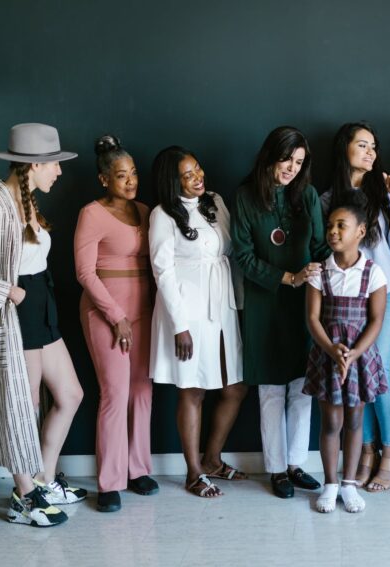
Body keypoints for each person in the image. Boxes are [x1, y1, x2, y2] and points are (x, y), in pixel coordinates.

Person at [0, 123, 83, 527]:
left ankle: (42, 478)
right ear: (33, 166)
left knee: (70, 394)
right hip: (18, 314)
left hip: (43, 307)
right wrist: (10, 292)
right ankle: (24, 497)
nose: (58, 172)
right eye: (53, 165)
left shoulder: (25, 202)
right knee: (24, 406)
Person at [231, 126, 328, 499]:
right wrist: (288, 277)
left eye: (299, 162)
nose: (291, 167)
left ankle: (295, 463)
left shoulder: (308, 197)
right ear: (271, 155)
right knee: (271, 389)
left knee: (303, 387)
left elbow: (320, 247)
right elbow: (243, 254)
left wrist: (317, 279)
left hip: (306, 303)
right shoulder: (244, 197)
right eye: (287, 158)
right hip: (264, 301)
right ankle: (276, 470)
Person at [149, 146, 247, 498]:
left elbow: (231, 254)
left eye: (198, 169)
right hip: (188, 312)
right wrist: (179, 325)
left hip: (222, 309)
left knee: (235, 387)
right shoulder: (163, 215)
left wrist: (239, 303)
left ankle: (212, 459)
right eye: (187, 175)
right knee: (193, 389)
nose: (197, 177)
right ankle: (193, 472)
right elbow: (162, 270)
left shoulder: (215, 201)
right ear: (172, 181)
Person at [319, 122, 390, 492]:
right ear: (345, 150)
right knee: (355, 374)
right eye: (362, 145)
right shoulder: (327, 200)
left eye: (374, 146)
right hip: (347, 301)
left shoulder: (383, 191)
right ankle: (365, 452)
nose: (371, 152)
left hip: (389, 291)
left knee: (379, 371)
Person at [74, 135, 158, 513]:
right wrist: (116, 317)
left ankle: (138, 469)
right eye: (121, 175)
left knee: (142, 391)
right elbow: (84, 273)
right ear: (104, 179)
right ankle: (109, 482)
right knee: (115, 394)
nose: (131, 180)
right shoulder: (91, 213)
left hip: (144, 310)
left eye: (134, 173)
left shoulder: (145, 210)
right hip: (106, 312)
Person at [304, 194, 388, 513]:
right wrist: (332, 349)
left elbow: (377, 319)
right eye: (330, 226)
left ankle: (350, 484)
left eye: (342, 225)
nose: (334, 231)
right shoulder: (319, 272)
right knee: (331, 421)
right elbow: (313, 318)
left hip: (360, 356)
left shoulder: (373, 272)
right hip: (328, 352)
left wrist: (353, 355)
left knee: (355, 419)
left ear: (360, 232)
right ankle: (330, 484)